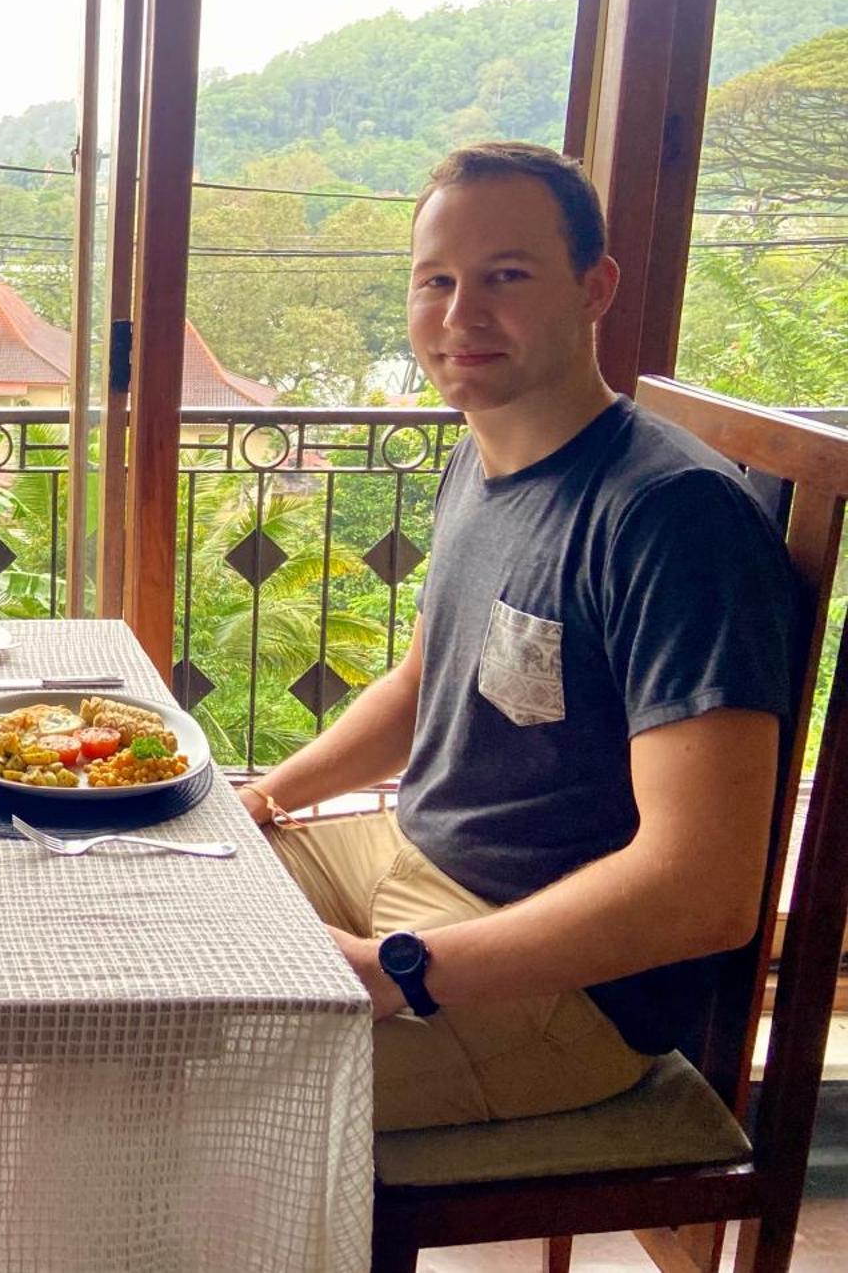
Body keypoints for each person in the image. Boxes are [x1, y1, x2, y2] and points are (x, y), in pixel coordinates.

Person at [235, 143, 798, 1132]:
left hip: (567, 989)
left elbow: (703, 889)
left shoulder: (671, 519)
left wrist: (394, 972)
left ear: (594, 288)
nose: (460, 316)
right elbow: (424, 681)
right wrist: (268, 797)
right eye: (435, 281)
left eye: (504, 276)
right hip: (406, 858)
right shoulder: (482, 451)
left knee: (200, 1078)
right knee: (146, 899)